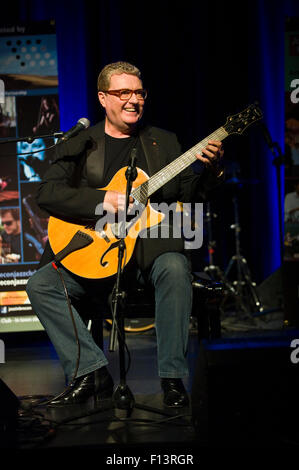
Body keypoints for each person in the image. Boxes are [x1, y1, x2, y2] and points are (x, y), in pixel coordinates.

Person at [26, 61, 224, 408]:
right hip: (94, 252)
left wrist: (212, 171)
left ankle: (173, 379)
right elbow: (47, 194)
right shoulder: (82, 143)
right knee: (41, 285)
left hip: (148, 252)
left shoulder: (163, 141)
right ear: (103, 98)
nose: (134, 100)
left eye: (139, 92)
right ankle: (91, 371)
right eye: (123, 93)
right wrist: (104, 199)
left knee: (176, 267)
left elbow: (191, 193)